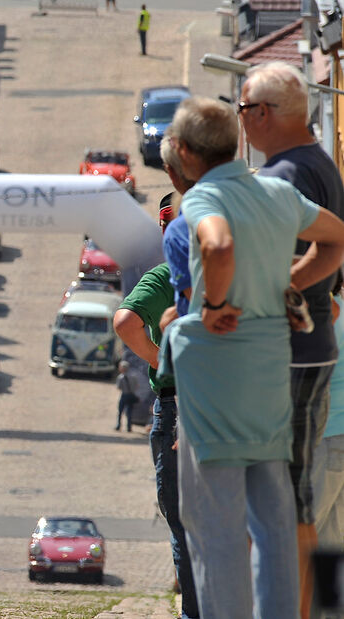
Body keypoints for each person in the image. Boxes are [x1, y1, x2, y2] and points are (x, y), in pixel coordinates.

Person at [157, 96, 344, 618]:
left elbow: (216, 246)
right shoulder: (278, 192)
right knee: (275, 517)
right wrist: (291, 282)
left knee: (215, 524)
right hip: (270, 369)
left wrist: (214, 304)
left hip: (217, 376)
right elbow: (335, 238)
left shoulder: (203, 200)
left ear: (187, 152)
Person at [240, 62, 344, 618]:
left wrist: (275, 290)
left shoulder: (283, 178)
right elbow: (334, 249)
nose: (241, 124)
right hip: (314, 351)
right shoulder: (321, 164)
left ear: (265, 114)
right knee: (305, 518)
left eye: (242, 110)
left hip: (285, 359)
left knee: (279, 510)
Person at [113, 161, 199, 619]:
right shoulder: (230, 265)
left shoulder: (164, 277)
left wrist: (158, 358)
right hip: (227, 401)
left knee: (182, 522)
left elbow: (124, 321)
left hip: (175, 405)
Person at [312, 275, 344, 547]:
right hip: (336, 436)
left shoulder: (323, 319)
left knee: (306, 534)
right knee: (332, 542)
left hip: (325, 438)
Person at [113, 361, 138, 432]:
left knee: (120, 411)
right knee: (129, 412)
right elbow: (136, 386)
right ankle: (129, 427)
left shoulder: (120, 377)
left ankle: (118, 426)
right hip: (131, 395)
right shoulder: (133, 376)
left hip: (124, 395)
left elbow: (118, 387)